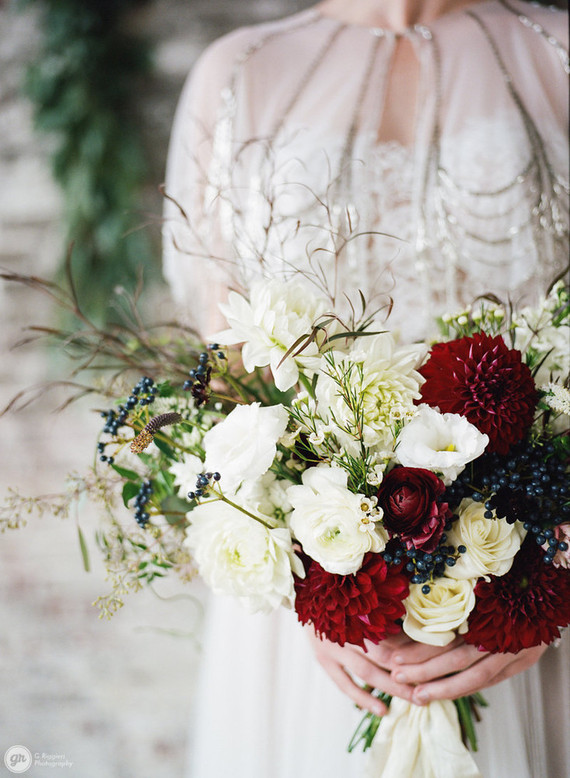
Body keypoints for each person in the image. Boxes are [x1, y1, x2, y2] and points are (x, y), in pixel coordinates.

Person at [162, 1, 569, 775]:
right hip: (315, 632)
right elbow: (223, 379)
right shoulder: (238, 74)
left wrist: (547, 597)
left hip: (534, 606)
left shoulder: (558, 55)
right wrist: (310, 588)